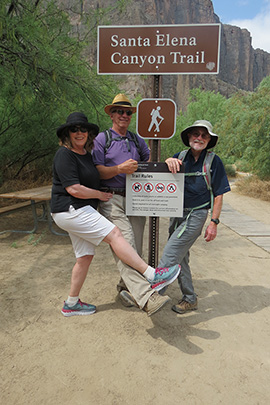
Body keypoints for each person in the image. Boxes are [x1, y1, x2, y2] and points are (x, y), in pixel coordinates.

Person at [50, 112, 180, 317]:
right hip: (72, 208)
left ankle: (71, 303)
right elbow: (73, 189)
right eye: (74, 130)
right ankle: (151, 275)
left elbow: (148, 162)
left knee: (84, 257)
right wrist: (100, 194)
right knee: (116, 235)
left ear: (88, 133)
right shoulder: (64, 154)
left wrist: (168, 161)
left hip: (87, 207)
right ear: (67, 133)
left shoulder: (85, 154)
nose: (79, 133)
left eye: (83, 129)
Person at [92, 94, 162, 311]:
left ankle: (124, 287)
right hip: (111, 198)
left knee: (135, 247)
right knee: (127, 244)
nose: (124, 115)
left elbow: (148, 161)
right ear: (112, 114)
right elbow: (96, 171)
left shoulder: (136, 139)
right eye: (119, 112)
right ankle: (146, 297)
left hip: (136, 198)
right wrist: (119, 169)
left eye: (128, 112)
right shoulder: (102, 139)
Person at [158, 120, 231, 314]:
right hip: (176, 214)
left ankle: (152, 294)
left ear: (209, 140)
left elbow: (219, 194)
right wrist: (167, 161)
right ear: (189, 137)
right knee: (180, 257)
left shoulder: (213, 161)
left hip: (197, 214)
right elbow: (163, 179)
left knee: (170, 253)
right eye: (195, 134)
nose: (199, 138)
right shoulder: (179, 157)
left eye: (204, 135)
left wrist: (213, 222)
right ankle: (190, 298)